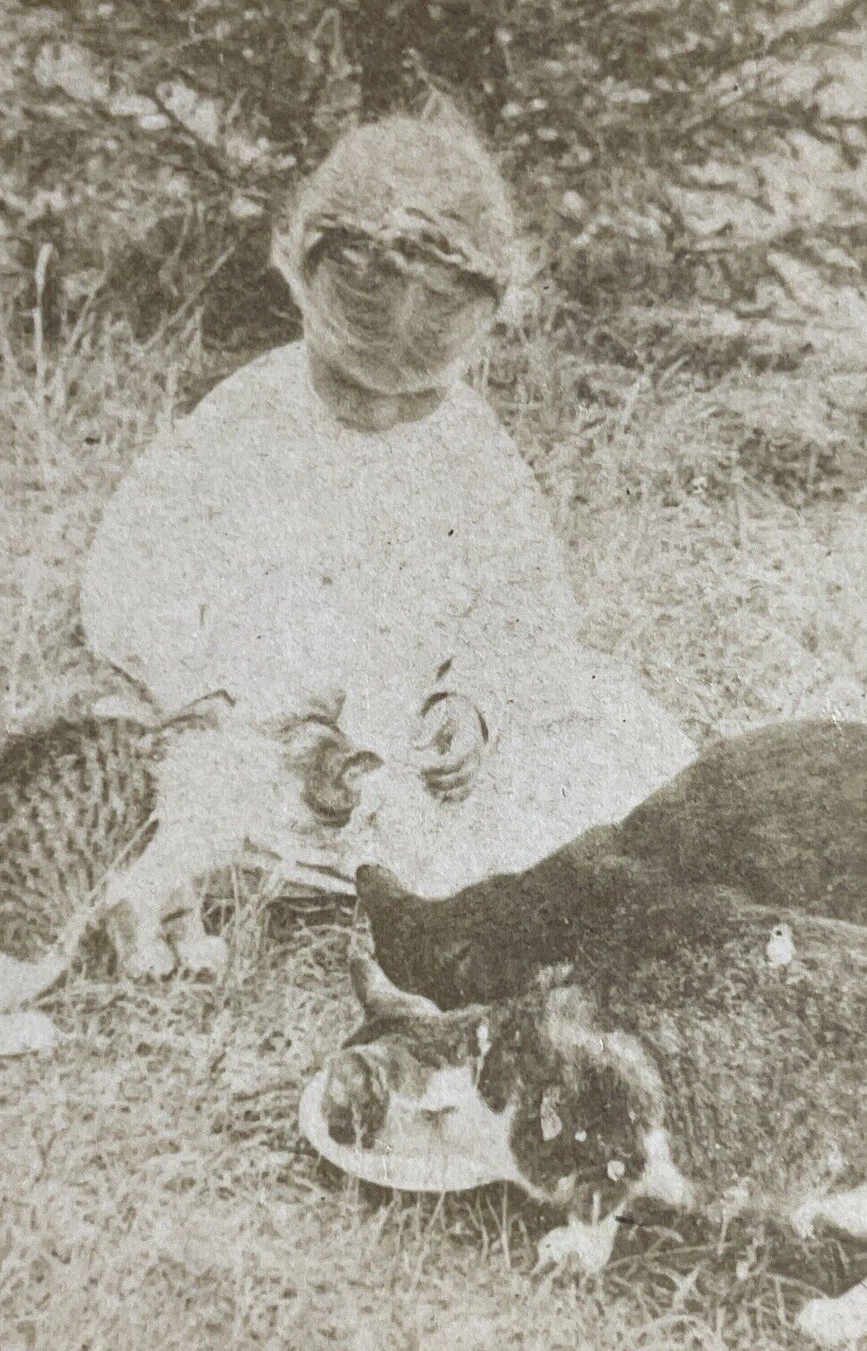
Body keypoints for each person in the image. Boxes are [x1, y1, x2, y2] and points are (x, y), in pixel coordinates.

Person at [80, 105, 695, 899]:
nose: (378, 414)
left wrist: (473, 700)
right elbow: (129, 582)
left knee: (606, 748)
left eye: (419, 395)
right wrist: (238, 693)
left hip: (417, 738)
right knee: (158, 785)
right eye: (346, 380)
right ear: (296, 277)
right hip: (283, 735)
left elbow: (522, 598)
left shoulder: (470, 443)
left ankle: (410, 866)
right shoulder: (245, 423)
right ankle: (314, 863)